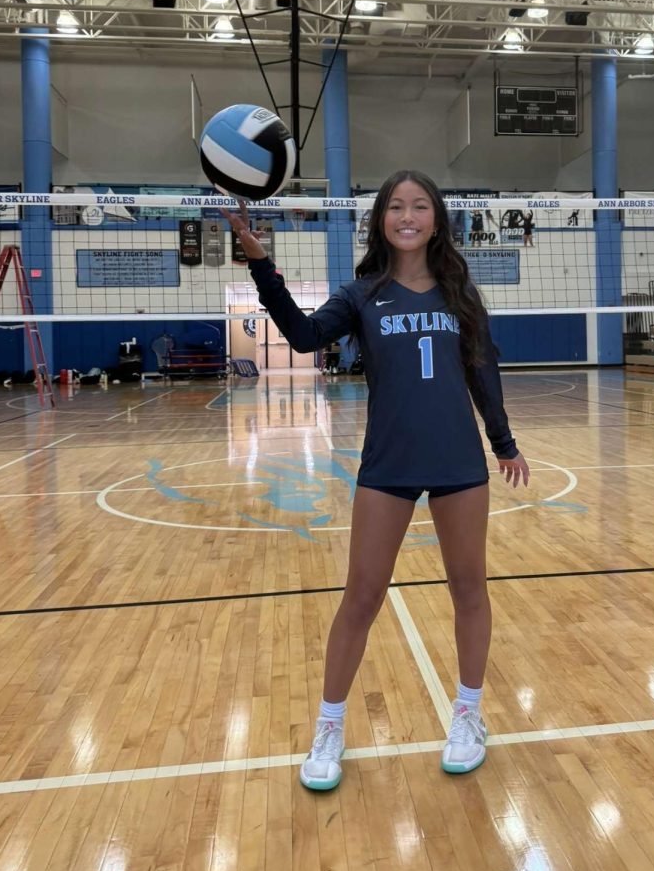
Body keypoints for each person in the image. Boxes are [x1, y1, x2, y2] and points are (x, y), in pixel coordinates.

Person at [222, 171, 529, 791]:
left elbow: (482, 371)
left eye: (419, 206)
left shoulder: (459, 291)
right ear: (381, 221)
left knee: (469, 588)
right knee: (361, 596)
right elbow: (305, 336)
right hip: (387, 464)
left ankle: (468, 715)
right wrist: (261, 263)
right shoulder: (363, 294)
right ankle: (329, 727)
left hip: (458, 464)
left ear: (436, 218)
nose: (408, 215)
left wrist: (503, 442)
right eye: (396, 206)